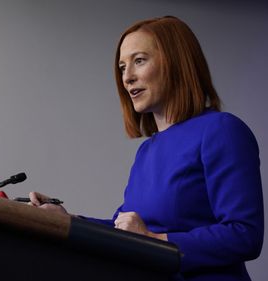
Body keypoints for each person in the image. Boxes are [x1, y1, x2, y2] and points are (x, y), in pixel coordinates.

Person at [29, 16, 264, 281]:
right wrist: (67, 220)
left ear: (175, 62)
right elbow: (125, 231)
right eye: (121, 67)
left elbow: (245, 234)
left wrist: (155, 240)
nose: (127, 77)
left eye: (139, 61)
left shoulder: (222, 130)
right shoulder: (147, 151)